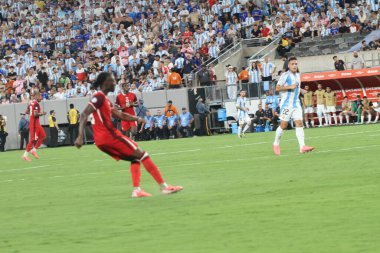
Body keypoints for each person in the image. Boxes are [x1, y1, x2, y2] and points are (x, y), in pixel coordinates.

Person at [74, 72, 183, 198]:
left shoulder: (105, 101)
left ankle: (136, 190)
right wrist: (80, 136)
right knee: (143, 154)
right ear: (105, 83)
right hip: (110, 137)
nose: (115, 83)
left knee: (135, 157)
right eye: (112, 80)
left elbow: (121, 115)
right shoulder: (99, 97)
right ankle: (165, 187)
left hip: (101, 142)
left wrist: (137, 118)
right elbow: (83, 114)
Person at [273, 57, 314, 155]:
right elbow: (277, 88)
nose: (295, 65)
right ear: (288, 65)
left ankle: (302, 147)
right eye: (292, 64)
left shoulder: (298, 75)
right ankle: (276, 143)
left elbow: (296, 87)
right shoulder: (285, 75)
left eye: (296, 64)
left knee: (299, 123)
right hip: (286, 104)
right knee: (284, 125)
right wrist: (289, 87)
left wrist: (301, 90)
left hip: (296, 103)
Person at [23, 91, 47, 161]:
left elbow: (27, 111)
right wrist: (42, 113)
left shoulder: (31, 103)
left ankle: (33, 150)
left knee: (43, 137)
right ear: (36, 96)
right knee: (33, 140)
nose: (41, 98)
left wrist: (31, 113)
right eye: (40, 96)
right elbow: (35, 114)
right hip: (34, 124)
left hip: (36, 123)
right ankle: (25, 155)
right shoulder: (36, 104)